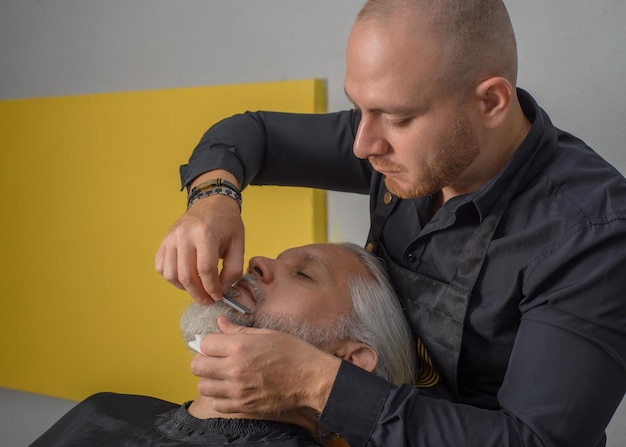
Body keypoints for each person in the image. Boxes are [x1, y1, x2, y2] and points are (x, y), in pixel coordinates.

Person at [156, 0, 626, 446]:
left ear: (491, 103)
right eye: (359, 107)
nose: (362, 145)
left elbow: (538, 441)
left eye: (398, 117)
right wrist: (213, 198)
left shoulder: (591, 233)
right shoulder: (397, 148)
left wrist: (316, 384)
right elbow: (254, 134)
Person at [31, 243, 415, 447]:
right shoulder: (104, 407)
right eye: (278, 258)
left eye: (303, 273)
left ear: (348, 359)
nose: (259, 260)